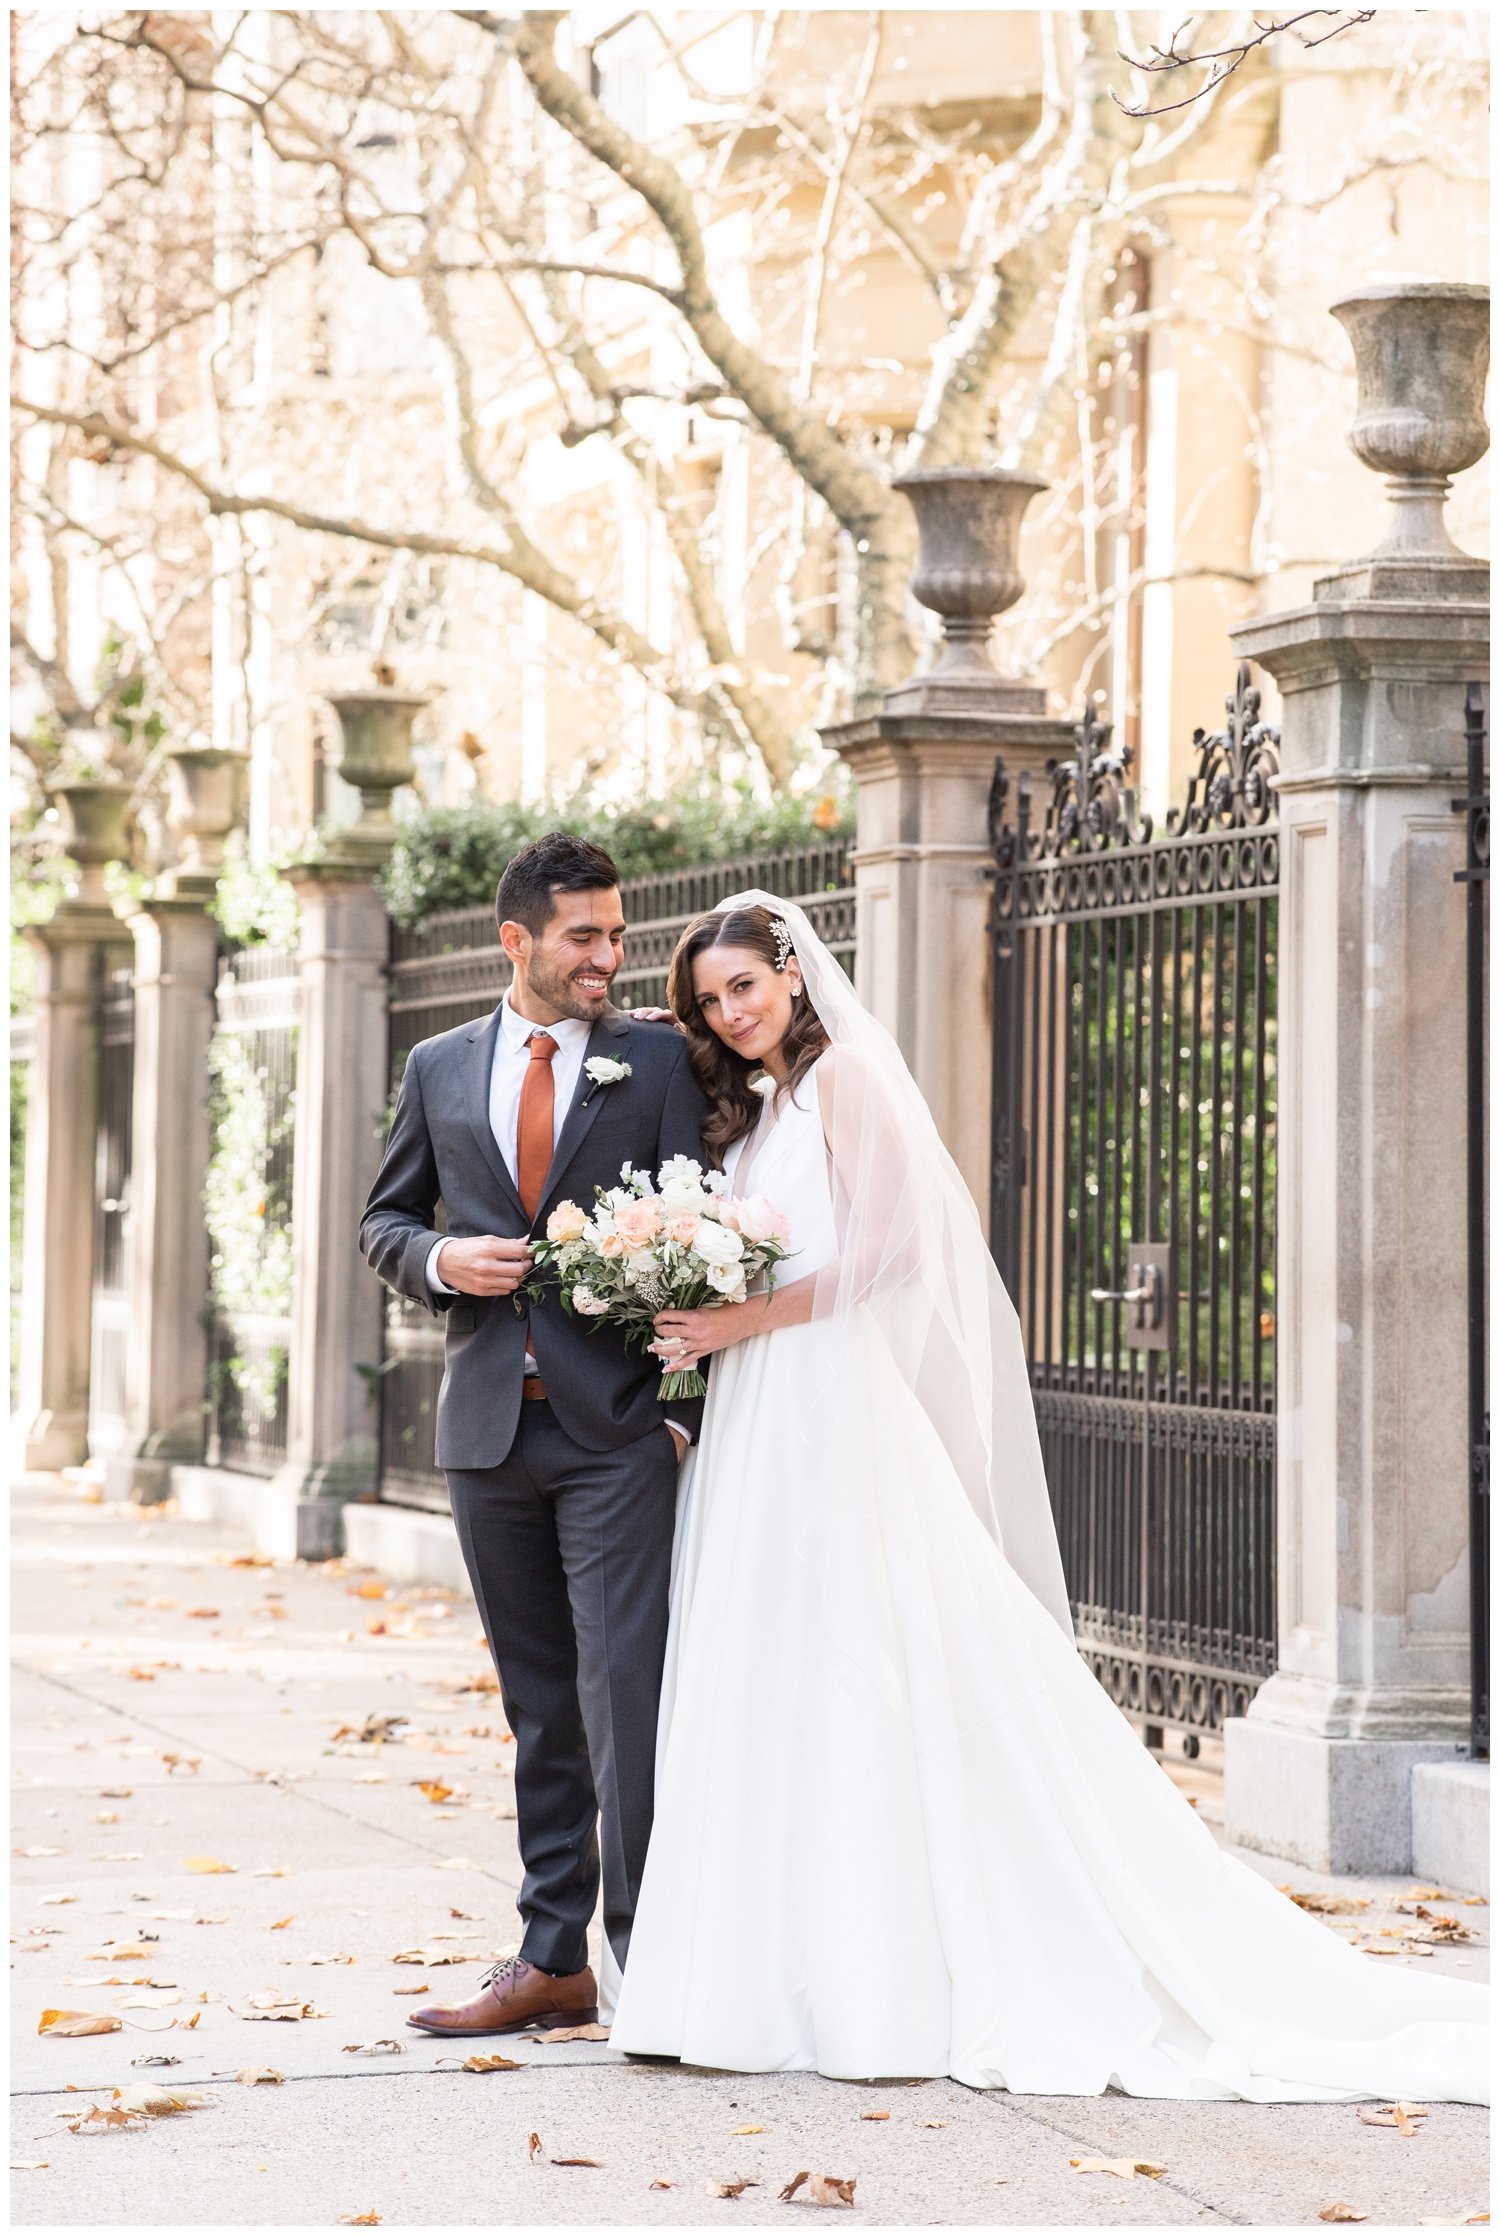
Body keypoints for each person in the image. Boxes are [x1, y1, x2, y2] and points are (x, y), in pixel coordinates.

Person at [608, 889, 1489, 2103]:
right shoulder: (758, 1112)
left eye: (744, 987)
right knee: (774, 1658)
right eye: (710, 1002)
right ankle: (759, 1973)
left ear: (796, 975)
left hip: (827, 1397)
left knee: (863, 1652)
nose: (731, 1012)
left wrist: (742, 1313)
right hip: (762, 1403)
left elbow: (897, 1250)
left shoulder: (849, 1084)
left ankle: (874, 1983)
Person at [359, 833, 710, 2039]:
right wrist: (442, 1258)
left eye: (616, 933)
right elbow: (385, 1219)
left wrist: (675, 1419)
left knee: (626, 1698)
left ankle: (650, 1964)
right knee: (540, 1704)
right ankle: (551, 1956)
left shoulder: (657, 1062)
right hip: (486, 1433)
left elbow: (708, 1230)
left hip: (615, 1433)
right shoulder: (441, 1064)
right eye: (584, 936)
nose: (609, 956)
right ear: (518, 941)